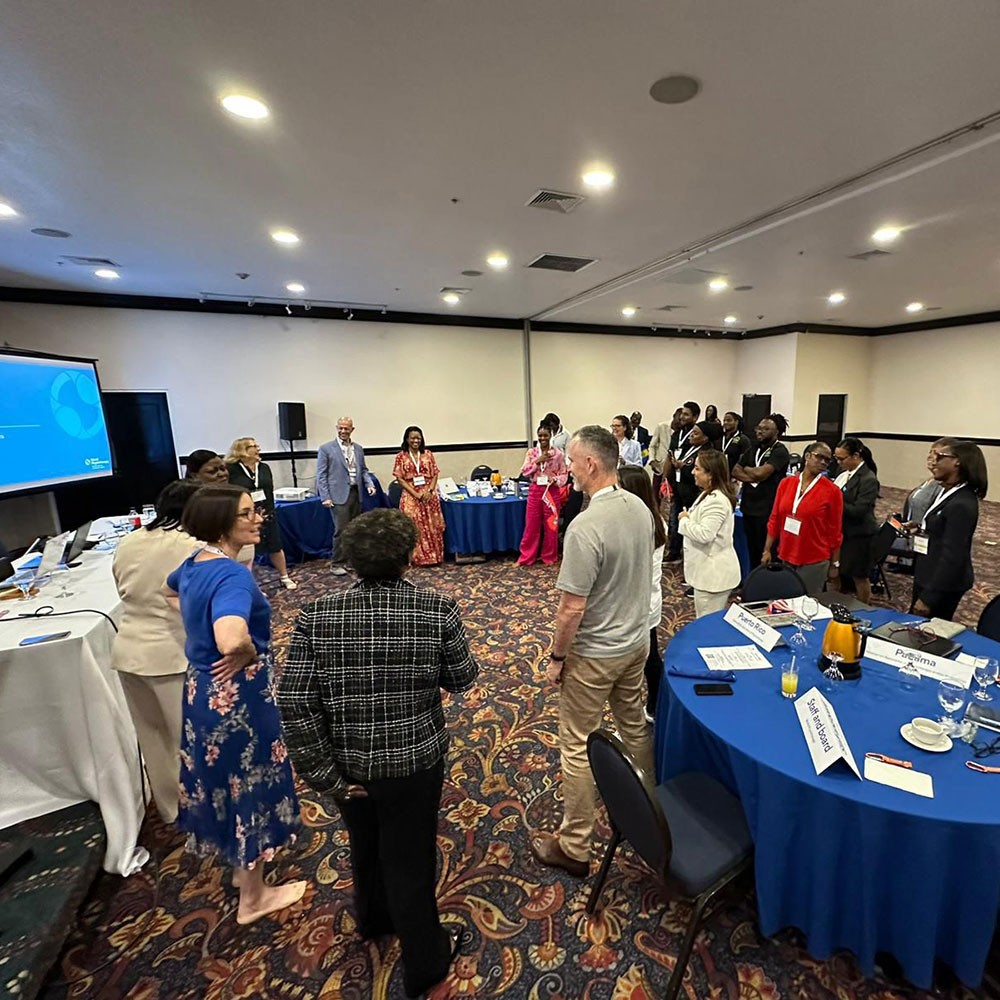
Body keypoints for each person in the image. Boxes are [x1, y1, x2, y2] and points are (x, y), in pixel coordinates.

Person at [278, 509, 477, 998]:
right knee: (410, 859)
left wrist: (323, 775)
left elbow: (295, 701)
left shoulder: (316, 616)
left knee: (364, 844)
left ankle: (373, 920)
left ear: (351, 560)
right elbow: (462, 678)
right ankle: (426, 961)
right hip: (415, 763)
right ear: (408, 558)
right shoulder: (437, 609)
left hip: (347, 766)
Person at [165, 484, 306, 924]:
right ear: (222, 523)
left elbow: (168, 592)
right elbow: (231, 638)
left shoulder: (195, 562)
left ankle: (242, 870)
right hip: (238, 701)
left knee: (225, 784)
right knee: (250, 785)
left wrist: (199, 632)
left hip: (202, 692)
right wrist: (245, 651)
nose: (258, 518)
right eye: (247, 513)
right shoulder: (232, 576)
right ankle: (254, 898)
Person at [529, 426, 655, 878]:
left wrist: (557, 658)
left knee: (577, 743)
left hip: (596, 655)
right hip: (635, 644)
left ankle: (575, 845)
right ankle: (651, 817)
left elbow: (571, 609)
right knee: (634, 726)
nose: (567, 468)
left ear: (591, 464)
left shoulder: (585, 526)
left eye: (572, 460)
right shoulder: (640, 507)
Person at [111, 479, 201, 823]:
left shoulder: (129, 540)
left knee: (153, 740)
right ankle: (204, 813)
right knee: (189, 741)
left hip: (128, 650)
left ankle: (171, 810)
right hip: (172, 652)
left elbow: (120, 587)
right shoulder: (192, 547)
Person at [907, 439, 987, 621]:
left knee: (927, 630)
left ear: (957, 462)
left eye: (940, 457)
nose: (933, 462)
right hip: (929, 571)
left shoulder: (962, 503)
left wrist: (929, 598)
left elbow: (953, 555)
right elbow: (942, 528)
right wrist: (921, 528)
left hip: (942, 583)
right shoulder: (947, 491)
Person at [617, 465, 667, 722]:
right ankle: (655, 704)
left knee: (640, 660)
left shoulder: (638, 525)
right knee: (650, 656)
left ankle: (651, 706)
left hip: (636, 603)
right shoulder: (654, 520)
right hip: (646, 601)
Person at [763, 441, 843, 594]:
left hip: (814, 558)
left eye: (827, 460)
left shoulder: (832, 492)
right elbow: (775, 519)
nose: (823, 462)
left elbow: (835, 531)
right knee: (786, 598)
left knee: (806, 601)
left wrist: (835, 563)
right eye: (819, 457)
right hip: (787, 553)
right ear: (807, 456)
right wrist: (767, 550)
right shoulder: (786, 484)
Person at [225, 437, 297, 590]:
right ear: (243, 450)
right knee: (247, 551)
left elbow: (268, 491)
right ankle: (251, 584)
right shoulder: (231, 470)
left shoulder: (264, 467)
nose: (259, 448)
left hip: (266, 514)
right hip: (244, 517)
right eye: (254, 446)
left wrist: (269, 512)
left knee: (275, 546)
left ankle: (284, 576)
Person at [678, 450, 742, 617]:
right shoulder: (708, 494)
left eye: (697, 468)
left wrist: (684, 520)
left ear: (711, 474)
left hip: (713, 576)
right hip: (707, 572)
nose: (693, 472)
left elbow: (705, 534)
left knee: (706, 622)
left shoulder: (717, 501)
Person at [316, 417, 377, 576]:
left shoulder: (358, 449)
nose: (343, 431)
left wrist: (369, 484)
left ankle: (352, 560)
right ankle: (337, 563)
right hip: (338, 496)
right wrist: (325, 496)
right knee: (341, 530)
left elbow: (363, 470)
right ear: (337, 428)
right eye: (341, 428)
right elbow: (321, 475)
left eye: (346, 428)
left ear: (352, 429)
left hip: (356, 493)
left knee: (355, 529)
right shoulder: (326, 449)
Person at [732, 413, 790, 568]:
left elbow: (761, 473)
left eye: (765, 429)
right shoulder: (753, 448)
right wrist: (753, 475)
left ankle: (768, 581)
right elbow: (735, 470)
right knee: (752, 551)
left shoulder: (780, 451)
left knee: (767, 552)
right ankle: (753, 578)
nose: (759, 431)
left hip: (767, 508)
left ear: (777, 432)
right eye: (759, 428)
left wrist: (748, 469)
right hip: (749, 507)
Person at [834, 437, 880, 604]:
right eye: (836, 458)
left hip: (860, 535)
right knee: (836, 571)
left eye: (842, 459)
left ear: (856, 456)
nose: (839, 463)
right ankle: (837, 603)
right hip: (842, 532)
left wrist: (835, 500)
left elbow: (859, 510)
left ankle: (864, 607)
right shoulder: (843, 474)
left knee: (859, 576)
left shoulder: (868, 479)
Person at [392, 425, 445, 566]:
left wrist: (430, 491)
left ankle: (434, 557)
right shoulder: (401, 456)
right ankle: (417, 558)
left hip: (429, 495)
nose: (416, 441)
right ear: (407, 439)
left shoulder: (428, 454)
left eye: (418, 438)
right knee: (414, 527)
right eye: (413, 438)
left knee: (432, 526)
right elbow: (400, 479)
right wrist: (416, 494)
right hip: (411, 495)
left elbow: (435, 474)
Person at [518, 422, 568, 565]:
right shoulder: (532, 453)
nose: (542, 438)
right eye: (540, 435)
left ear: (550, 436)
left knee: (551, 525)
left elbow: (564, 474)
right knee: (531, 525)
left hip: (551, 491)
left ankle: (549, 556)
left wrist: (555, 480)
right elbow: (524, 471)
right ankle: (527, 557)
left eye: (545, 435)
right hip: (535, 490)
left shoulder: (558, 454)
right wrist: (537, 462)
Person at [664, 403, 702, 561]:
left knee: (692, 520)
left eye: (686, 414)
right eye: (682, 414)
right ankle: (674, 550)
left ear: (695, 417)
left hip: (692, 486)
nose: (682, 417)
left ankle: (689, 553)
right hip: (677, 483)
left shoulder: (697, 435)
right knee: (674, 519)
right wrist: (667, 478)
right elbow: (670, 455)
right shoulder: (677, 435)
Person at [648, 407, 683, 501]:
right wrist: (652, 461)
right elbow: (652, 446)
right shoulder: (661, 426)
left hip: (673, 469)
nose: (679, 423)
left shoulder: (682, 431)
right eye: (678, 419)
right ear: (673, 416)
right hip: (659, 466)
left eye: (682, 421)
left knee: (669, 494)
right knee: (655, 493)